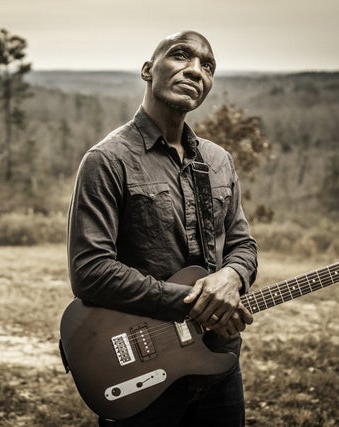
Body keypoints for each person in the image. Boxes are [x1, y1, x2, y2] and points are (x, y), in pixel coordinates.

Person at [67, 30, 258, 426]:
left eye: (208, 66)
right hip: (141, 367)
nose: (196, 71)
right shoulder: (107, 159)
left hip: (218, 359)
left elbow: (243, 245)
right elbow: (90, 272)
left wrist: (230, 277)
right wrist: (195, 301)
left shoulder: (219, 160)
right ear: (148, 70)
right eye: (181, 56)